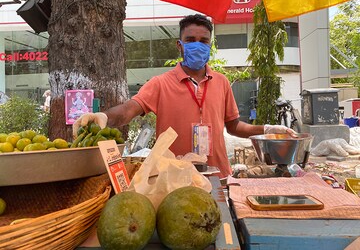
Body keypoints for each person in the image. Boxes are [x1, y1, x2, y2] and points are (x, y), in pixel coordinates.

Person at [73, 14, 294, 178]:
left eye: (204, 41)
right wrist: (103, 116)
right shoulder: (160, 84)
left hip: (217, 176)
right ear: (180, 45)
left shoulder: (222, 82)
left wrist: (267, 130)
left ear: (210, 45)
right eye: (190, 40)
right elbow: (129, 110)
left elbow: (234, 126)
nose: (197, 45)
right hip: (172, 178)